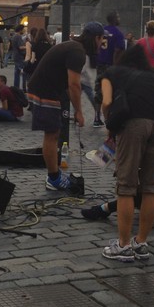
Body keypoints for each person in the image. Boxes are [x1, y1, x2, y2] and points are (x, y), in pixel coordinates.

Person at [95, 45, 154, 262]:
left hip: (134, 124)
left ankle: (123, 245)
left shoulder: (110, 73)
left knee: (126, 186)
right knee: (152, 186)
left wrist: (111, 126)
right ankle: (141, 243)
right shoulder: (153, 77)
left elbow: (107, 102)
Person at [27, 21, 104, 190]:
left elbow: (71, 86)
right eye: (101, 39)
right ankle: (53, 179)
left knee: (54, 133)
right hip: (45, 90)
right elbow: (74, 85)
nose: (102, 44)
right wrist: (79, 112)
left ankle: (54, 174)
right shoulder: (78, 52)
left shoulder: (74, 47)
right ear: (96, 38)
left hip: (48, 88)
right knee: (52, 134)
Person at [94, 11, 126, 127]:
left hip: (100, 64)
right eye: (118, 16)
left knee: (98, 90)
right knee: (112, 91)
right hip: (110, 65)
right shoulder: (118, 33)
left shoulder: (101, 31)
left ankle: (96, 117)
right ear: (114, 19)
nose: (119, 18)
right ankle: (110, 117)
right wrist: (115, 65)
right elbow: (119, 50)